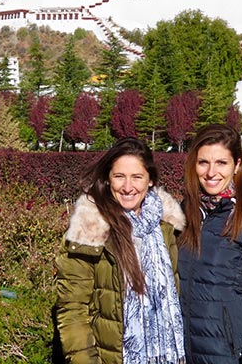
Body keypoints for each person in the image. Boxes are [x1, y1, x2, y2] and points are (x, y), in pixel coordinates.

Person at [55, 137, 187, 364]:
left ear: (151, 180)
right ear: (108, 179)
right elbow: (73, 311)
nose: (128, 187)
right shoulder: (91, 228)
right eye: (119, 176)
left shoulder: (166, 228)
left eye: (137, 177)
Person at [178, 124, 242, 364]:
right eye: (203, 162)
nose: (211, 172)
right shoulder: (187, 212)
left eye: (221, 163)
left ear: (236, 165)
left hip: (228, 356)